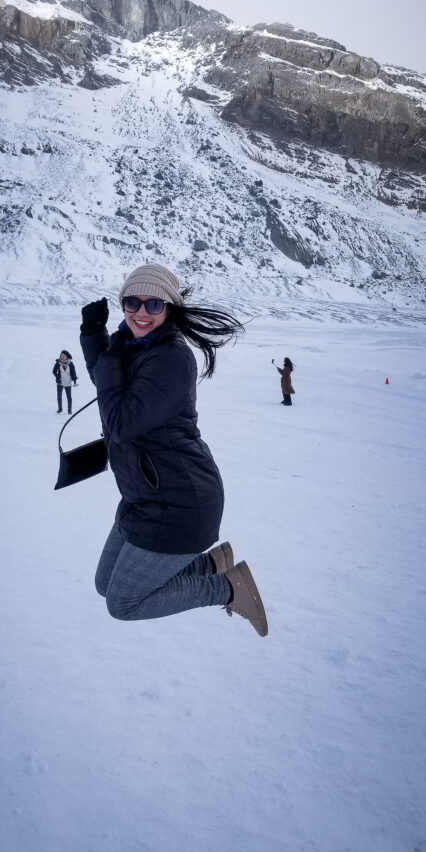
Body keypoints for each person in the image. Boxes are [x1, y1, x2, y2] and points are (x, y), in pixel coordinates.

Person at [79, 263, 268, 637]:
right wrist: (94, 335)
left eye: (153, 305)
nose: (140, 313)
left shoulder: (171, 359)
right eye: (132, 302)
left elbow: (119, 422)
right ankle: (213, 563)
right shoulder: (132, 347)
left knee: (123, 603)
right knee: (106, 584)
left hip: (181, 503)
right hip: (143, 496)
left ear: (170, 309)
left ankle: (229, 587)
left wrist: (112, 354)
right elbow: (108, 390)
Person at [52, 350, 78, 414]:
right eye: (61, 355)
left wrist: (74, 380)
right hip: (60, 382)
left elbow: (73, 373)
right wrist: (58, 377)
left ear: (67, 356)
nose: (62, 357)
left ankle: (69, 410)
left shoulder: (70, 364)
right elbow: (54, 371)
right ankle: (60, 409)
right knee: (59, 396)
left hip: (68, 382)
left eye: (63, 355)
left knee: (69, 397)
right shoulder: (58, 363)